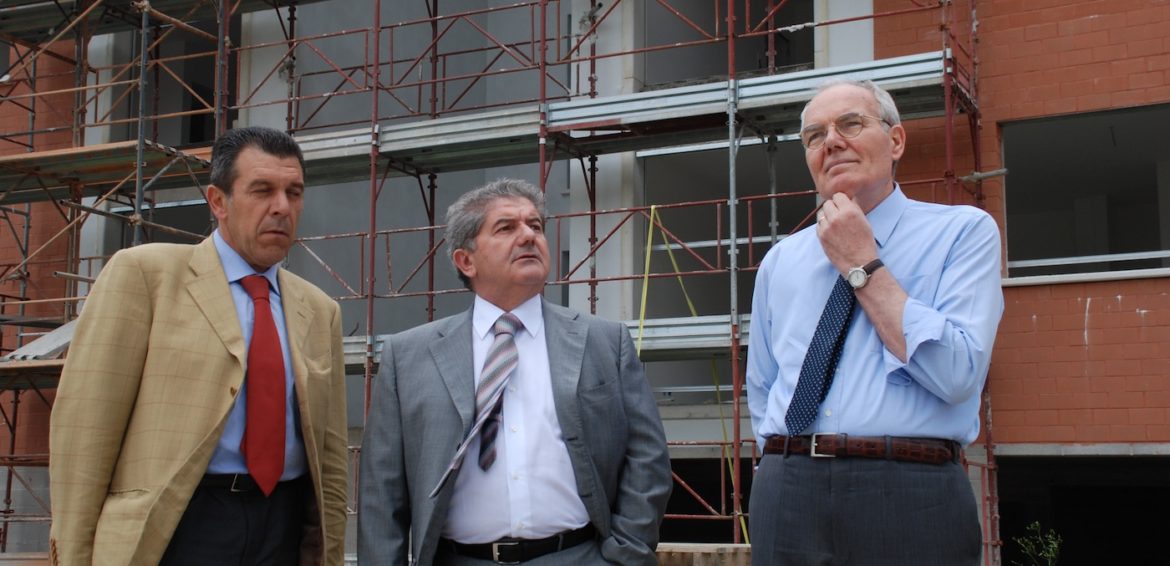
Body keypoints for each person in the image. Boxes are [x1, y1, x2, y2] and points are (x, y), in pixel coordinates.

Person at [49, 126, 348, 565]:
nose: (282, 207)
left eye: (294, 193)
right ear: (218, 201)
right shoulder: (145, 276)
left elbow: (332, 456)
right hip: (180, 525)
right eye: (262, 190)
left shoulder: (320, 310)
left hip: (283, 527)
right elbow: (86, 430)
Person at [746, 79, 1004, 565]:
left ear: (896, 141)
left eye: (850, 124)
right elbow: (763, 386)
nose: (831, 142)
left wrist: (862, 262)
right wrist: (780, 464)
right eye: (814, 135)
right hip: (788, 489)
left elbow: (958, 374)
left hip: (910, 488)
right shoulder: (780, 261)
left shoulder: (963, 232)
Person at [358, 178, 671, 565]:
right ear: (465, 261)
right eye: (506, 228)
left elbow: (647, 458)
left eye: (535, 225)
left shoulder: (604, 342)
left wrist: (626, 556)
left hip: (578, 556)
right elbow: (381, 492)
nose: (528, 236)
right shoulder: (409, 357)